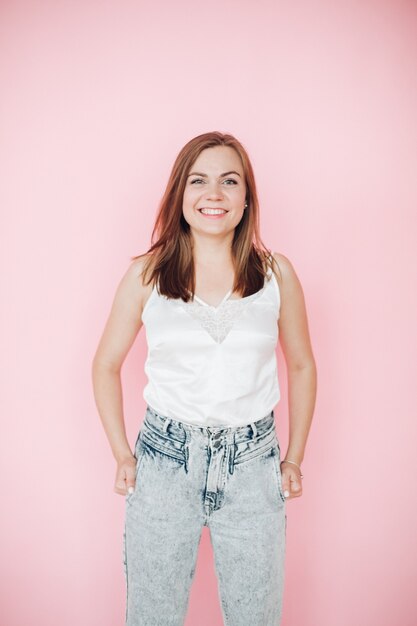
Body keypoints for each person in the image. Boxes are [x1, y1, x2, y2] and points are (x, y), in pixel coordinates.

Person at [91, 131, 317, 626]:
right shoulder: (146, 275)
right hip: (165, 462)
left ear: (246, 199)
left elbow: (301, 363)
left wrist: (293, 456)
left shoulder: (277, 275)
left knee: (256, 616)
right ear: (180, 195)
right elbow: (105, 364)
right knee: (153, 614)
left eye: (229, 181)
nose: (214, 194)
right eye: (199, 180)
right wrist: (123, 455)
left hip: (254, 465)